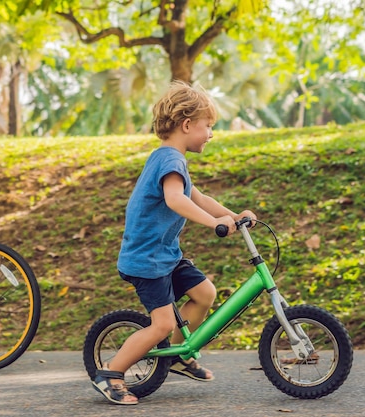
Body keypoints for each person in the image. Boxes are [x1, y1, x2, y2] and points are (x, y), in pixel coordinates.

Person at [92, 80, 257, 405]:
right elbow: (174, 200)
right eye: (207, 125)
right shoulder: (170, 161)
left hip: (164, 254)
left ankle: (179, 355)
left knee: (204, 293)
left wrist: (233, 215)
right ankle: (110, 373)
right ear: (186, 124)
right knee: (162, 324)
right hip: (147, 259)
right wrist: (214, 224)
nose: (211, 133)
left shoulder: (171, 159)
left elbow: (197, 196)